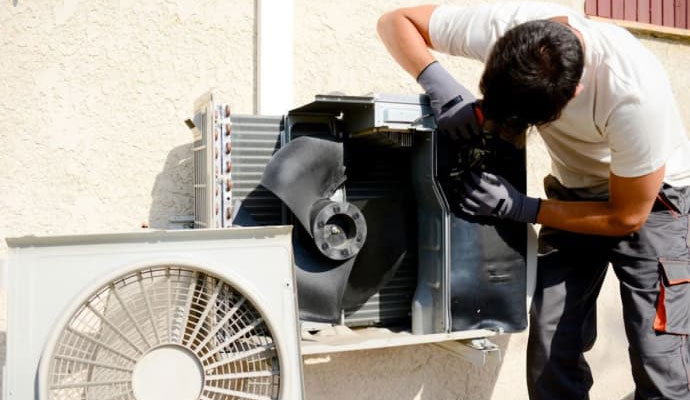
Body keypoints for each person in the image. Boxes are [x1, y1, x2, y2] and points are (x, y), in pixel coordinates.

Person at [377, 2, 690, 399]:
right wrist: (438, 82)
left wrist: (525, 208)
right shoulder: (509, 27)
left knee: (658, 360)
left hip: (652, 206)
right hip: (573, 192)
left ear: (571, 95)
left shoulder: (633, 95)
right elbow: (395, 22)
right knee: (551, 348)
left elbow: (626, 216)